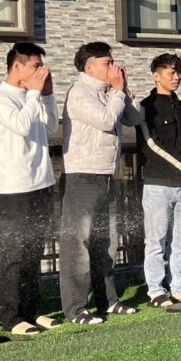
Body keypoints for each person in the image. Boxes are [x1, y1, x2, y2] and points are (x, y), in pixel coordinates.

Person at [59, 42, 141, 325]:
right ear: (90, 67)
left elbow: (135, 118)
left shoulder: (110, 92)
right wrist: (117, 92)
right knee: (78, 244)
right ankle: (76, 308)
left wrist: (124, 89)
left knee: (105, 242)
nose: (113, 67)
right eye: (107, 63)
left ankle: (108, 300)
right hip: (82, 176)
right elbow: (106, 121)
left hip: (107, 175)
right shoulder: (79, 92)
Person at [0, 43, 62, 336]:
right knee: (14, 254)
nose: (40, 72)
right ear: (17, 66)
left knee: (34, 251)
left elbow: (51, 126)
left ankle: (33, 311)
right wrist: (34, 93)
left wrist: (48, 94)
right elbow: (21, 125)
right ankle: (12, 317)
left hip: (42, 183)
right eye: (35, 66)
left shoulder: (34, 96)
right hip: (14, 188)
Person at [137, 54, 181, 308]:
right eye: (171, 73)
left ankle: (179, 287)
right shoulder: (146, 107)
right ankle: (156, 291)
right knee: (156, 241)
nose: (177, 77)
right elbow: (152, 144)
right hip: (158, 184)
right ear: (156, 76)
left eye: (178, 73)